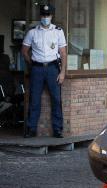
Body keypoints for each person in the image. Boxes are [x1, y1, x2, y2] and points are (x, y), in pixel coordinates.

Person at [22, 4, 67, 138]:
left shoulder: (58, 31)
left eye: (47, 15)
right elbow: (24, 51)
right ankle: (31, 129)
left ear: (51, 16)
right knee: (34, 100)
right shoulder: (32, 32)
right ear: (40, 16)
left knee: (56, 100)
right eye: (43, 15)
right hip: (37, 69)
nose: (45, 17)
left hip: (53, 68)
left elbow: (63, 53)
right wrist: (32, 64)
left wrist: (63, 72)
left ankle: (58, 129)